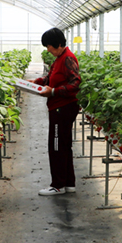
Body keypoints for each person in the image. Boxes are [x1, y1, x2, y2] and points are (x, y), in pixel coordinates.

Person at [32, 27, 81, 196]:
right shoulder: (59, 58)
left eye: (50, 47)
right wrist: (34, 82)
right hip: (59, 107)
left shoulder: (67, 58)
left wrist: (53, 92)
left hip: (63, 108)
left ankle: (58, 185)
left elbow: (76, 83)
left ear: (59, 44)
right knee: (64, 145)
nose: (48, 50)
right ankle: (69, 183)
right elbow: (50, 78)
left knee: (57, 145)